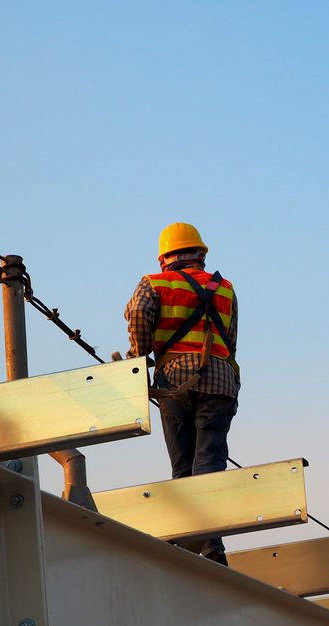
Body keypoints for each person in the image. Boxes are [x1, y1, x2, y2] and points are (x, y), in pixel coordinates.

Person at [125, 222, 239, 566]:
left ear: (165, 257)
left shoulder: (154, 283)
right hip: (220, 380)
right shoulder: (226, 289)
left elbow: (138, 315)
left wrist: (138, 358)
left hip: (173, 380)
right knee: (210, 458)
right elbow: (230, 341)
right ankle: (211, 547)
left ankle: (196, 540)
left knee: (183, 465)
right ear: (200, 254)